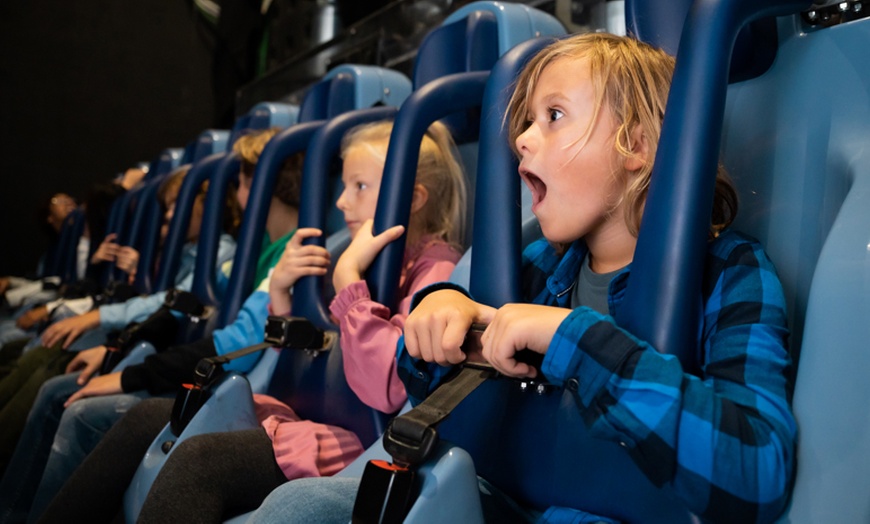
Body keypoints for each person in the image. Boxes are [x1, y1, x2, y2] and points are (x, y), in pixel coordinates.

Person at [243, 33, 797, 524]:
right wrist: (438, 314)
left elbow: (756, 469)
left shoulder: (731, 275)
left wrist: (570, 338)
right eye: (526, 122)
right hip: (495, 498)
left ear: (638, 146)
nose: (523, 139)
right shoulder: (538, 265)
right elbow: (419, 382)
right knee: (301, 506)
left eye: (553, 116)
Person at [36, 119, 467, 524]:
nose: (340, 201)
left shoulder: (437, 273)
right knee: (152, 417)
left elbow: (388, 386)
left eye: (359, 186)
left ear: (411, 199)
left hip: (358, 442)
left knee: (200, 463)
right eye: (344, 185)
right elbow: (297, 358)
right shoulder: (350, 253)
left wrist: (348, 283)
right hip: (303, 416)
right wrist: (280, 293)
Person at [0, 128, 299, 524]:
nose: (169, 218)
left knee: (76, 406)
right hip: (209, 372)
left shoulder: (288, 254)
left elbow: (239, 341)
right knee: (56, 378)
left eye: (242, 180)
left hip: (240, 391)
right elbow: (183, 300)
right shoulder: (252, 252)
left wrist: (131, 373)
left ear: (267, 184)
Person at [0, 166, 239, 477]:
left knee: (55, 386)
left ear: (208, 204)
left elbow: (173, 301)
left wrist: (107, 318)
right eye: (166, 206)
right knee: (40, 355)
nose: (168, 214)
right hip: (142, 342)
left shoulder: (220, 252)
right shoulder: (180, 251)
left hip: (162, 353)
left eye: (176, 203)